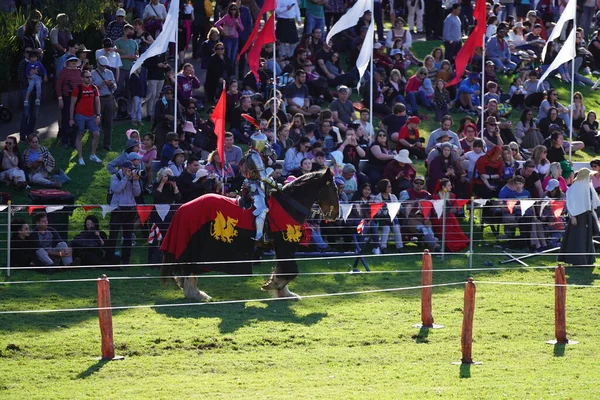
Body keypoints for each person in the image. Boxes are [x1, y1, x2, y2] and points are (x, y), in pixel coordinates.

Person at [558, 168, 600, 267]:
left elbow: (593, 202)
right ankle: (577, 260)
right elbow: (570, 202)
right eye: (589, 176)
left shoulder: (588, 187)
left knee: (587, 237)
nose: (590, 178)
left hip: (587, 215)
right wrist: (572, 216)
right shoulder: (574, 188)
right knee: (577, 238)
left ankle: (587, 259)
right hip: (578, 216)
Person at [243, 131, 281, 240]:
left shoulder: (258, 154)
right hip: (254, 185)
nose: (266, 145)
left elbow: (270, 163)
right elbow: (263, 176)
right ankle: (258, 237)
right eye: (264, 143)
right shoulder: (255, 156)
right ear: (259, 143)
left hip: (259, 184)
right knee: (263, 209)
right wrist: (276, 185)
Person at [107, 161, 142, 265]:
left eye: (131, 169)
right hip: (117, 210)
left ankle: (126, 260)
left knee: (128, 237)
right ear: (123, 168)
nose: (130, 171)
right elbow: (117, 189)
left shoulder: (132, 177)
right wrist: (126, 178)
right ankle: (109, 259)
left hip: (130, 209)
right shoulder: (115, 177)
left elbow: (137, 193)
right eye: (128, 169)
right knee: (113, 235)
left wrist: (135, 181)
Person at [70, 70, 103, 165]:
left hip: (91, 115)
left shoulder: (94, 88)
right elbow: (72, 105)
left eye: (90, 77)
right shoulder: (78, 89)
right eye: (87, 77)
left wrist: (98, 115)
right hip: (80, 115)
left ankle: (93, 155)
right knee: (80, 134)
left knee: (96, 134)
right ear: (82, 78)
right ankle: (80, 157)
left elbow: (97, 102)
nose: (89, 79)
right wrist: (71, 118)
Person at [431, 179, 469, 252]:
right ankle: (450, 245)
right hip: (439, 218)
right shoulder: (436, 197)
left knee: (452, 220)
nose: (451, 187)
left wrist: (447, 210)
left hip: (449, 216)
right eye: (449, 185)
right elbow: (435, 212)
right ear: (443, 187)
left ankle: (459, 241)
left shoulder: (452, 195)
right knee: (447, 224)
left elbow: (454, 209)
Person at [91, 56, 117, 151]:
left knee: (109, 122)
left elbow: (115, 87)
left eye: (105, 66)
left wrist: (112, 85)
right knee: (97, 122)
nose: (103, 67)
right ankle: (96, 143)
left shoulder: (109, 73)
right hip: (98, 99)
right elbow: (91, 88)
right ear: (98, 64)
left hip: (109, 97)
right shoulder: (92, 74)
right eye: (102, 65)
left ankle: (107, 144)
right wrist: (101, 86)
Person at [374, 179, 404, 253]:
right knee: (386, 228)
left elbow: (398, 208)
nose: (391, 188)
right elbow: (378, 212)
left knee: (396, 228)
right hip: (382, 219)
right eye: (389, 186)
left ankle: (400, 247)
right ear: (384, 187)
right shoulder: (377, 198)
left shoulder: (393, 197)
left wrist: (393, 212)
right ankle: (383, 247)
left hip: (393, 218)